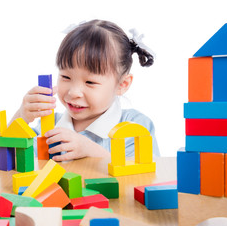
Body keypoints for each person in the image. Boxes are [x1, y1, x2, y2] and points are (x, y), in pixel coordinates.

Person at [10, 19, 160, 161]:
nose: (73, 92)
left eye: (90, 82)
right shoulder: (50, 125)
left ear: (122, 84)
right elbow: (10, 161)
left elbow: (146, 176)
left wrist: (91, 151)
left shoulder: (135, 126)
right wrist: (21, 116)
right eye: (65, 77)